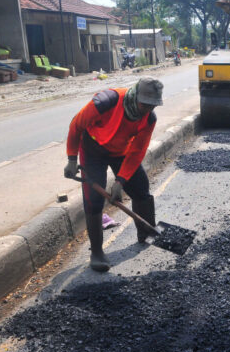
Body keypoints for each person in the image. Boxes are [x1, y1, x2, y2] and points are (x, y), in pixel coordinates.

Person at [64, 77, 164, 272]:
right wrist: (71, 158)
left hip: (122, 152)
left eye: (153, 105)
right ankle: (97, 252)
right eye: (145, 104)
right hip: (92, 149)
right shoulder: (105, 102)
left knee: (141, 189)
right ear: (135, 96)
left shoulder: (149, 118)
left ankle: (146, 232)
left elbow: (137, 151)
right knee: (93, 200)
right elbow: (76, 125)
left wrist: (120, 181)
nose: (147, 109)